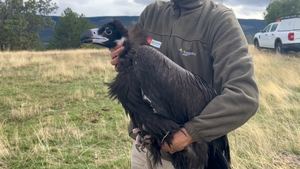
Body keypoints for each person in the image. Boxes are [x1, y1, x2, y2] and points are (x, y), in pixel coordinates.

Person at [110, 0, 259, 168]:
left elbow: (244, 95)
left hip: (189, 156)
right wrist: (123, 59)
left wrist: (190, 133)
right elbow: (135, 70)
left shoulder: (220, 20)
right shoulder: (152, 13)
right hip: (144, 147)